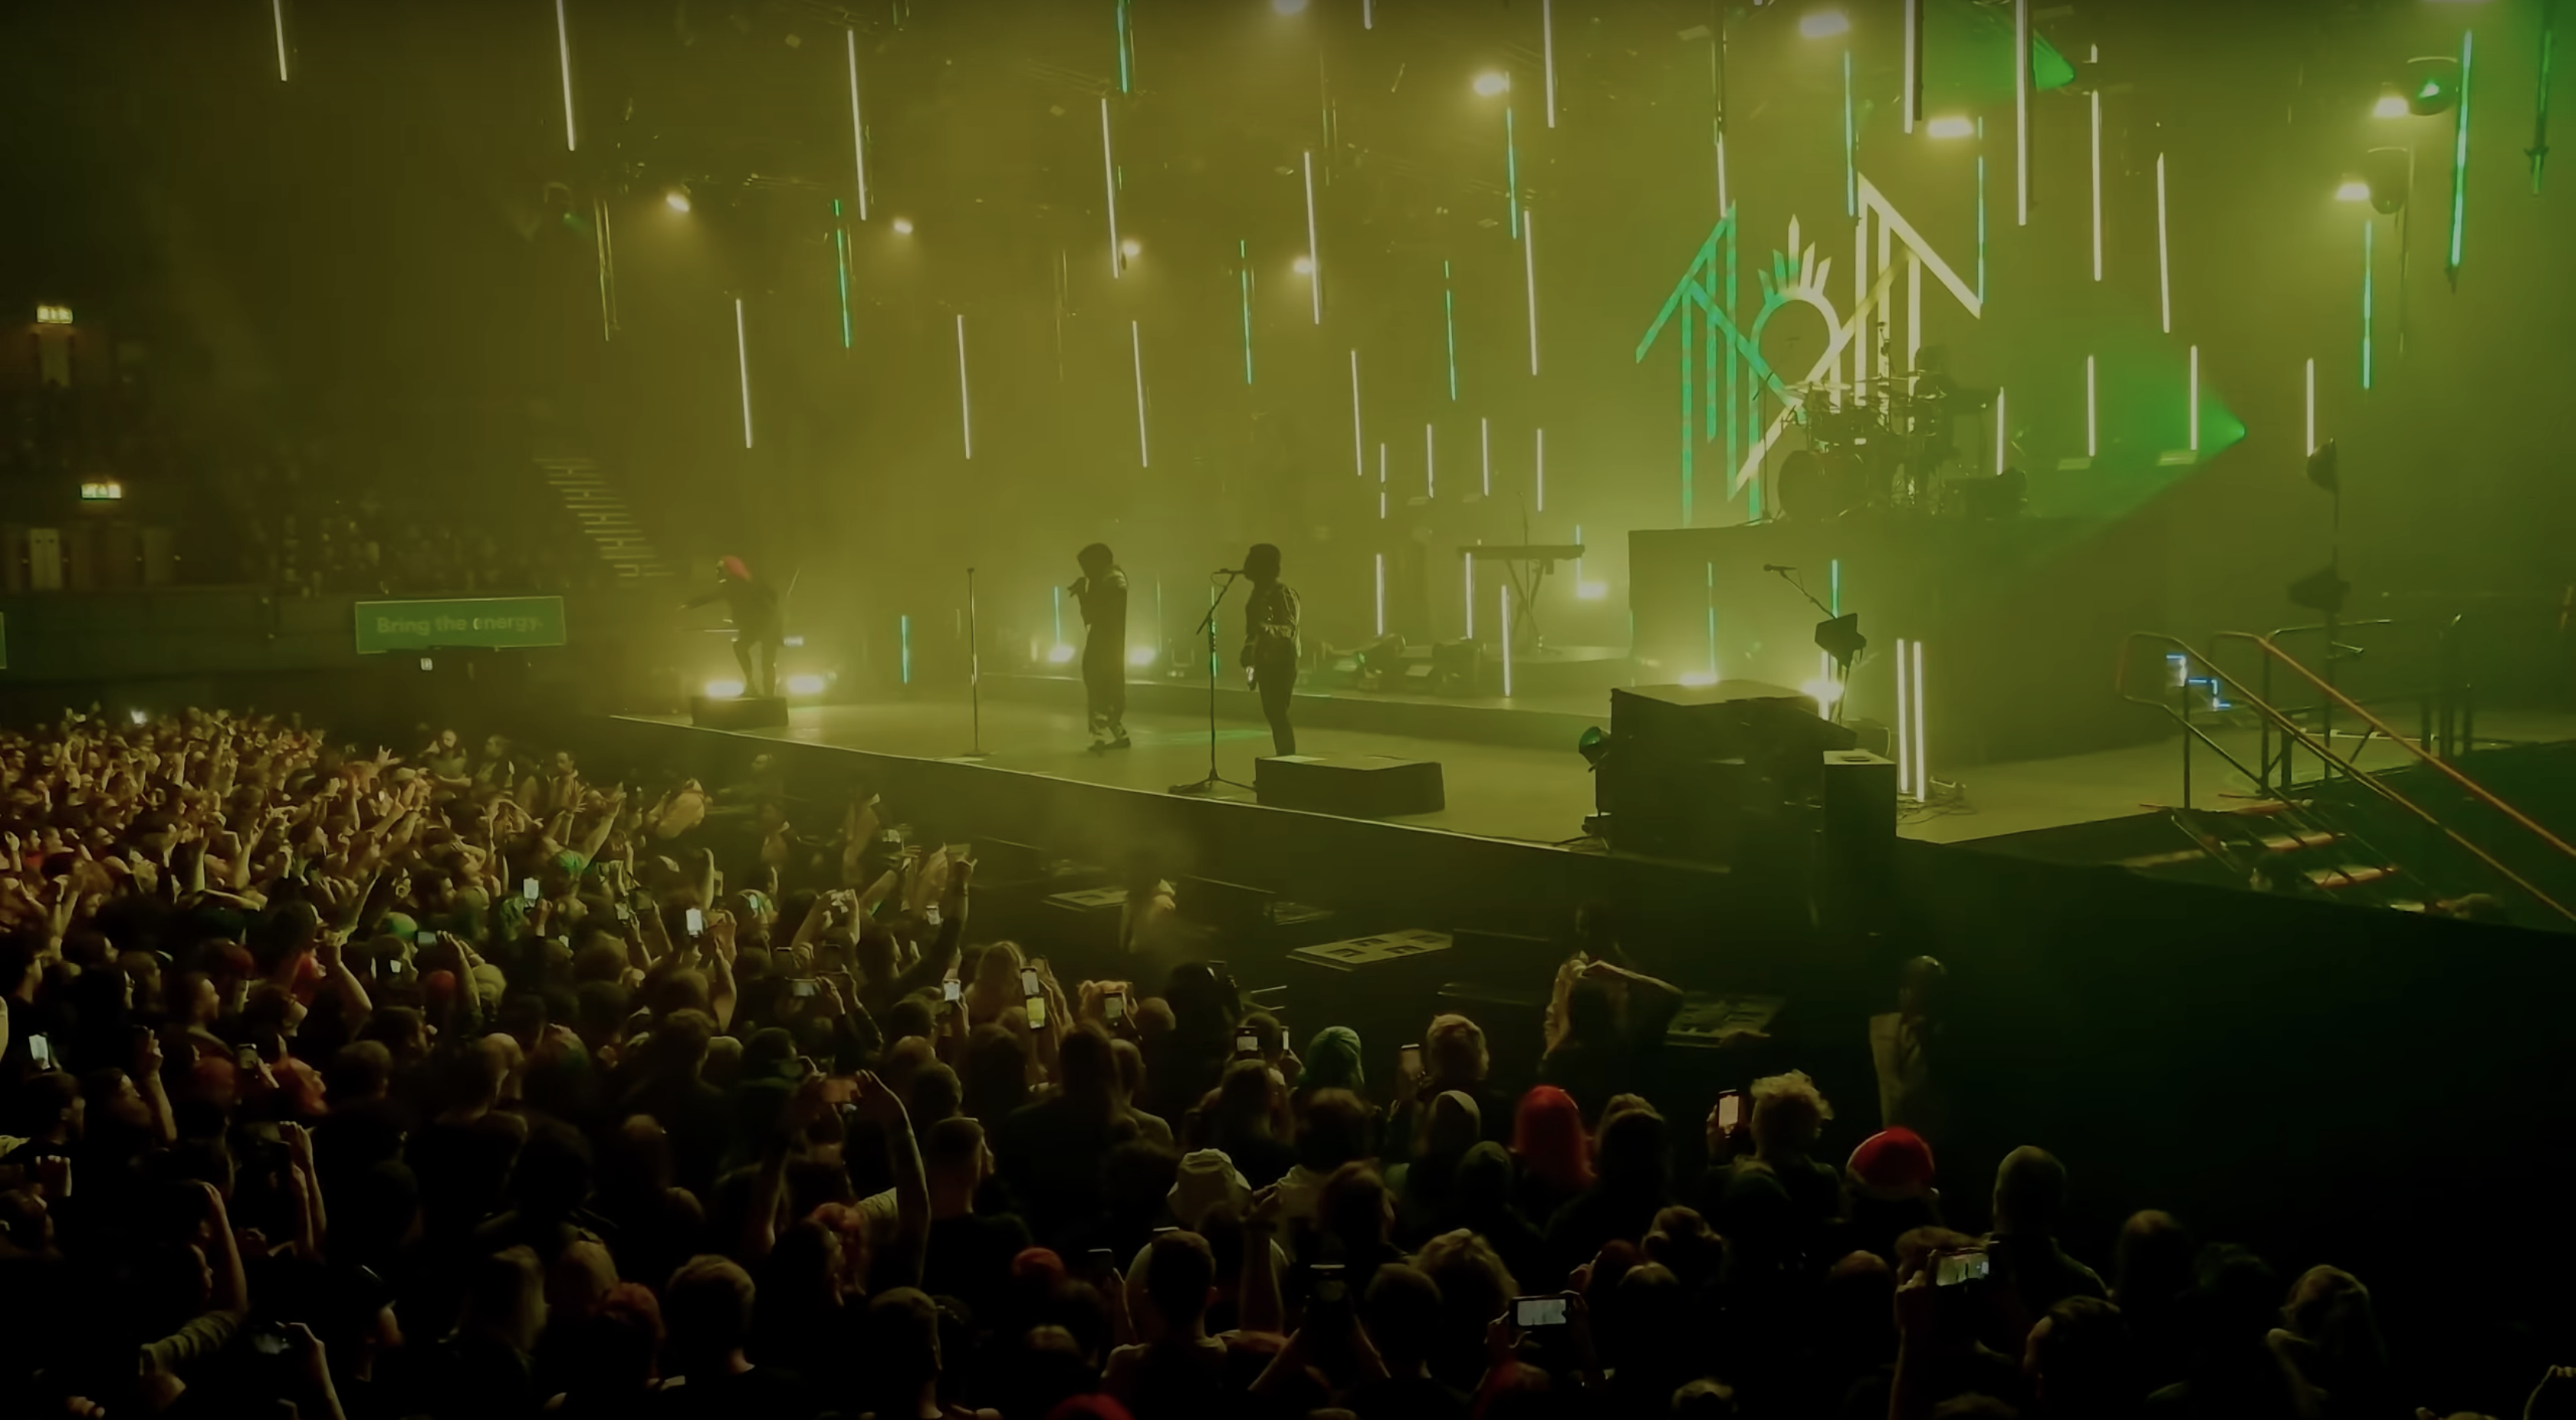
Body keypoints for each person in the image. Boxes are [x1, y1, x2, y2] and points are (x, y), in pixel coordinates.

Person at [682, 556, 786, 699]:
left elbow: (714, 596)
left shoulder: (737, 584)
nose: (718, 573)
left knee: (765, 661)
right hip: (759, 625)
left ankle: (765, 694)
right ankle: (756, 689)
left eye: (720, 570)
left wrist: (690, 604)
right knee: (745, 650)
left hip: (767, 625)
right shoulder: (742, 583)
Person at [1237, 543, 1301, 757]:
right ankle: (1283, 764)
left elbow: (1289, 628)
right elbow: (1252, 630)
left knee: (1278, 714)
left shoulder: (1283, 593)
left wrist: (1266, 630)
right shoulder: (1257, 594)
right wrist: (1249, 649)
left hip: (1282, 661)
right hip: (1265, 660)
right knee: (1273, 714)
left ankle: (1286, 765)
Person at [1072, 543, 1132, 753]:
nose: (1085, 571)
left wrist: (1083, 593)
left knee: (1101, 684)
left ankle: (1101, 735)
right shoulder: (1108, 579)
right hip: (1105, 639)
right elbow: (1092, 614)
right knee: (1101, 684)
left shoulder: (1111, 579)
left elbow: (1093, 614)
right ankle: (1114, 733)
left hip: (1108, 641)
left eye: (1086, 565)